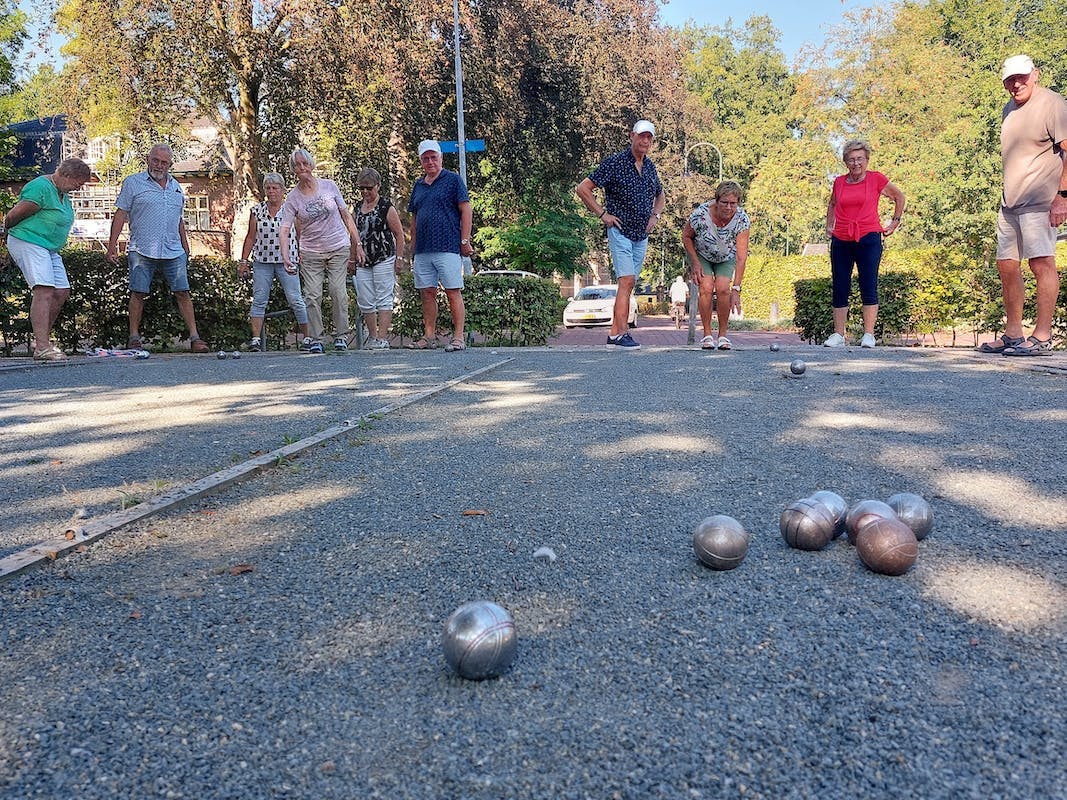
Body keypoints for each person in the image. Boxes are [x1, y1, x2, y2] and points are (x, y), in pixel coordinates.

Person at [979, 54, 1067, 356]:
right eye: (1010, 79)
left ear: (1035, 74)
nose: (1016, 84)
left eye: (1021, 77)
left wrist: (1062, 198)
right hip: (1010, 203)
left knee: (1041, 263)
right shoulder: (1009, 109)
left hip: (1041, 201)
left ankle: (1042, 336)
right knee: (1006, 264)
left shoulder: (1052, 103)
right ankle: (1013, 334)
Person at [106, 143, 211, 352]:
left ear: (170, 164)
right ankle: (134, 337)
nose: (159, 165)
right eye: (156, 160)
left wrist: (185, 245)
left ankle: (195, 338)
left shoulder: (175, 187)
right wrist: (112, 246)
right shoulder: (133, 183)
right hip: (142, 249)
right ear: (148, 159)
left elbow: (178, 218)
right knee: (138, 292)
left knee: (183, 292)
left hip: (173, 250)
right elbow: (120, 214)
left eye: (164, 162)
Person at [576, 119, 666, 350]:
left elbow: (660, 195)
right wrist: (602, 214)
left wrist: (654, 216)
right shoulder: (615, 162)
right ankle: (620, 333)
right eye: (642, 136)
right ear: (632, 136)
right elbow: (583, 188)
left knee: (629, 283)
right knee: (626, 280)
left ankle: (614, 334)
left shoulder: (649, 167)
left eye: (649, 137)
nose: (645, 141)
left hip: (641, 235)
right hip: (621, 231)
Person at [3, 158, 92, 361]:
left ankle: (40, 341)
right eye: (78, 182)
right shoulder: (40, 188)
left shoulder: (62, 192)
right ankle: (43, 346)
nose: (80, 187)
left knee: (61, 291)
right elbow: (12, 216)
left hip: (49, 247)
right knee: (43, 290)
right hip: (29, 241)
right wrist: (5, 234)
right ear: (66, 175)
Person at [279, 148, 364, 353]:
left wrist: (357, 244)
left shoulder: (329, 186)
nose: (302, 168)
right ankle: (316, 338)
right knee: (312, 294)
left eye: (305, 164)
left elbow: (346, 216)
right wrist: (285, 255)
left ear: (311, 165)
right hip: (310, 251)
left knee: (337, 290)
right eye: (297, 165)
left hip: (337, 246)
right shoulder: (293, 198)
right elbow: (284, 228)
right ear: (293, 170)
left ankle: (341, 335)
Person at [823, 140, 906, 349]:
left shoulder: (876, 179)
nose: (856, 163)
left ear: (866, 160)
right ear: (845, 162)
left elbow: (899, 197)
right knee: (840, 285)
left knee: (868, 283)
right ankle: (838, 334)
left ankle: (869, 334)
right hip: (841, 237)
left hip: (868, 236)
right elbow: (832, 203)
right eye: (851, 159)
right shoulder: (839, 182)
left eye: (860, 158)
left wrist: (894, 222)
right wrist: (829, 225)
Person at [406, 139, 473, 352]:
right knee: (427, 292)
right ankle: (429, 336)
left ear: (440, 157)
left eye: (433, 157)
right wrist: (412, 248)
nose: (430, 161)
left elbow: (466, 210)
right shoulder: (418, 185)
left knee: (453, 291)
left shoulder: (453, 180)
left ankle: (459, 337)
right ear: (421, 161)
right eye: (425, 158)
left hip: (448, 245)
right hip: (423, 249)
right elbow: (414, 218)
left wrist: (465, 240)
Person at [237, 173, 310, 352]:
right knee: (259, 299)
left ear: (283, 190)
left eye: (275, 188)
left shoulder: (291, 210)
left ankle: (308, 337)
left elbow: (301, 235)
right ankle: (255, 339)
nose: (271, 192)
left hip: (287, 260)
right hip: (263, 260)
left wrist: (303, 254)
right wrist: (244, 261)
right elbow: (250, 237)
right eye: (268, 188)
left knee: (295, 299)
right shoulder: (257, 211)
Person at [682, 181, 750, 350]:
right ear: (716, 201)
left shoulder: (742, 219)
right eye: (724, 202)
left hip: (726, 256)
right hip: (702, 255)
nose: (728, 207)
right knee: (706, 286)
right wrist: (695, 263)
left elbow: (741, 257)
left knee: (723, 288)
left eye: (733, 203)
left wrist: (737, 288)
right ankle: (707, 334)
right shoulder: (700, 215)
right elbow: (686, 236)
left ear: (738, 203)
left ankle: (723, 336)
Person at [353, 167, 405, 349]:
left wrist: (399, 258)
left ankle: (382, 338)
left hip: (384, 257)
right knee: (365, 299)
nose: (366, 192)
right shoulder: (357, 208)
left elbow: (399, 234)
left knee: (384, 296)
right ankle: (372, 336)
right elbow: (354, 235)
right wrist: (352, 258)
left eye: (369, 188)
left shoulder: (386, 207)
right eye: (362, 188)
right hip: (363, 260)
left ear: (378, 186)